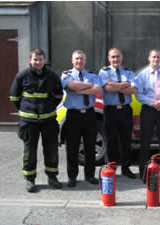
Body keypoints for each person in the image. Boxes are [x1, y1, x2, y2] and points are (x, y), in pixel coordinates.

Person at [9, 48, 63, 192]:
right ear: (30, 60)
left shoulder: (52, 76)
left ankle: (52, 177)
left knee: (51, 149)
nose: (38, 62)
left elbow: (58, 95)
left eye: (40, 59)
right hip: (29, 121)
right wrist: (26, 109)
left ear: (44, 60)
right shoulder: (22, 75)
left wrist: (49, 107)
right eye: (35, 59)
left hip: (48, 120)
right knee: (29, 151)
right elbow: (14, 97)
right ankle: (30, 179)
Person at [61, 50, 102, 187]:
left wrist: (79, 90)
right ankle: (72, 177)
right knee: (72, 147)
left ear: (85, 61)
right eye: (76, 59)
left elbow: (98, 89)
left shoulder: (92, 74)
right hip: (74, 115)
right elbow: (71, 86)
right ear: (72, 61)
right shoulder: (66, 74)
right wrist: (88, 86)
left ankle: (90, 175)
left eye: (81, 59)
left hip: (89, 114)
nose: (79, 61)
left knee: (90, 146)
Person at [135, 49, 160, 177]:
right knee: (145, 140)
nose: (156, 59)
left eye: (158, 57)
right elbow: (139, 94)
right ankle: (143, 168)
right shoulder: (142, 75)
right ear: (149, 58)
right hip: (148, 110)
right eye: (154, 57)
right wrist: (153, 103)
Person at [99, 48, 137, 179]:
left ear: (122, 57)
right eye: (113, 57)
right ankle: (111, 168)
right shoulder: (104, 71)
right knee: (111, 140)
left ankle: (126, 168)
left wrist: (114, 85)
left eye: (118, 57)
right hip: (111, 110)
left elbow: (133, 90)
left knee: (126, 140)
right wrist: (125, 84)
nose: (116, 59)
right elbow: (107, 88)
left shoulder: (129, 72)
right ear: (109, 58)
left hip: (126, 110)